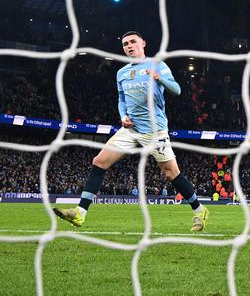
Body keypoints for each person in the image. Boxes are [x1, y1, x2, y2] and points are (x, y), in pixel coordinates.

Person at [53, 31, 208, 232]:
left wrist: (160, 78)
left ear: (143, 43)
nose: (129, 46)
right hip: (130, 129)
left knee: (171, 173)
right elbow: (122, 99)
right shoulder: (122, 73)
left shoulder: (157, 65)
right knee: (99, 161)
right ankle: (80, 212)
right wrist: (122, 115)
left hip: (154, 130)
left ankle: (199, 210)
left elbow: (176, 90)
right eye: (125, 44)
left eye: (133, 42)